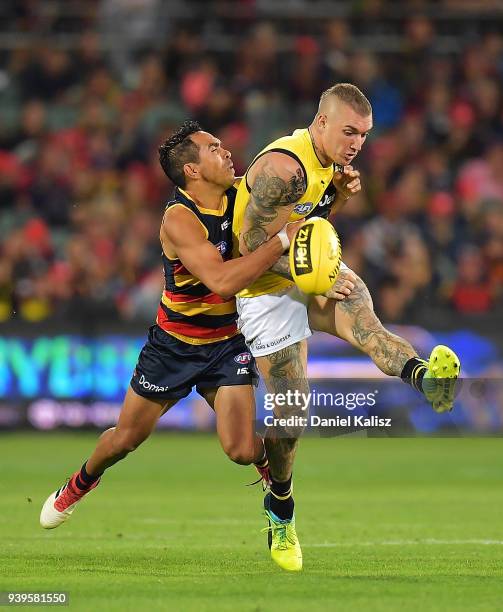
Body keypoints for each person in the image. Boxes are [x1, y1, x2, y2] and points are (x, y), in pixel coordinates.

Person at [232, 83, 461, 571]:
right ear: (321, 124)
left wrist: (332, 201)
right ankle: (280, 506)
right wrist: (305, 275)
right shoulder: (283, 169)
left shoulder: (328, 167)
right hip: (260, 290)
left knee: (367, 322)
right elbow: (247, 251)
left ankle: (427, 378)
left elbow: (305, 224)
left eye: (365, 134)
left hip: (300, 269)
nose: (358, 143)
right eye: (349, 131)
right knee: (292, 417)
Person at [40, 120, 300, 529]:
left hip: (227, 343)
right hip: (174, 345)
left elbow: (301, 206)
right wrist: (281, 241)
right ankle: (80, 482)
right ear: (192, 171)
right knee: (125, 439)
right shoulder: (180, 219)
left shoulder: (242, 197)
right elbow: (222, 280)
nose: (227, 151)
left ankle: (271, 470)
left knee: (240, 450)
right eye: (213, 148)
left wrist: (338, 188)